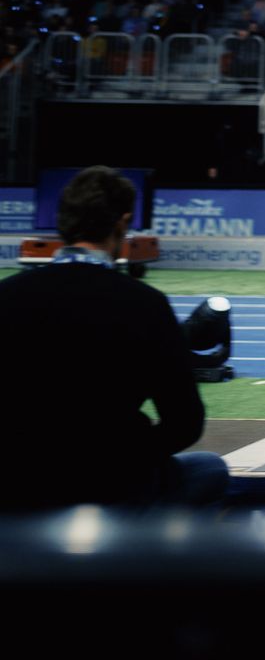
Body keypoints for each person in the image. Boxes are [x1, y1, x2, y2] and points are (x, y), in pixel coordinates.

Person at [0, 167, 228, 514]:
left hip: (20, 484)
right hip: (115, 485)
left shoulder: (8, 296)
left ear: (64, 221)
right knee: (210, 469)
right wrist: (125, 456)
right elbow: (185, 423)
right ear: (122, 224)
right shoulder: (144, 303)